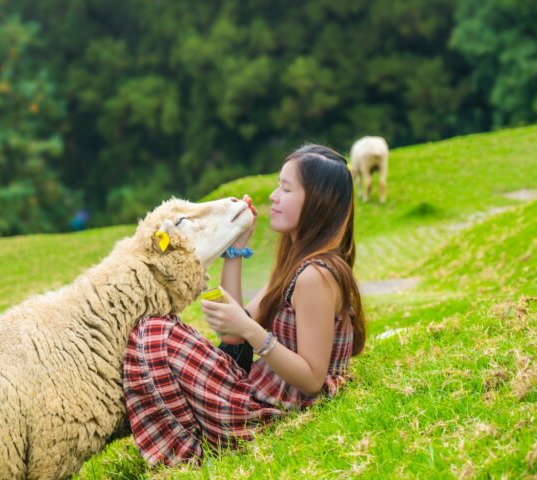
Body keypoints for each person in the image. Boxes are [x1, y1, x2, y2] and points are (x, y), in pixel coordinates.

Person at [122, 144, 367, 467]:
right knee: (154, 330)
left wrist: (252, 330)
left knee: (154, 335)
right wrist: (235, 249)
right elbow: (231, 332)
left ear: (317, 202)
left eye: (286, 188)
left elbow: (311, 379)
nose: (274, 197)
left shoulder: (315, 276)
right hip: (255, 397)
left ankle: (188, 454)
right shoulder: (298, 266)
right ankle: (193, 439)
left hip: (268, 416)